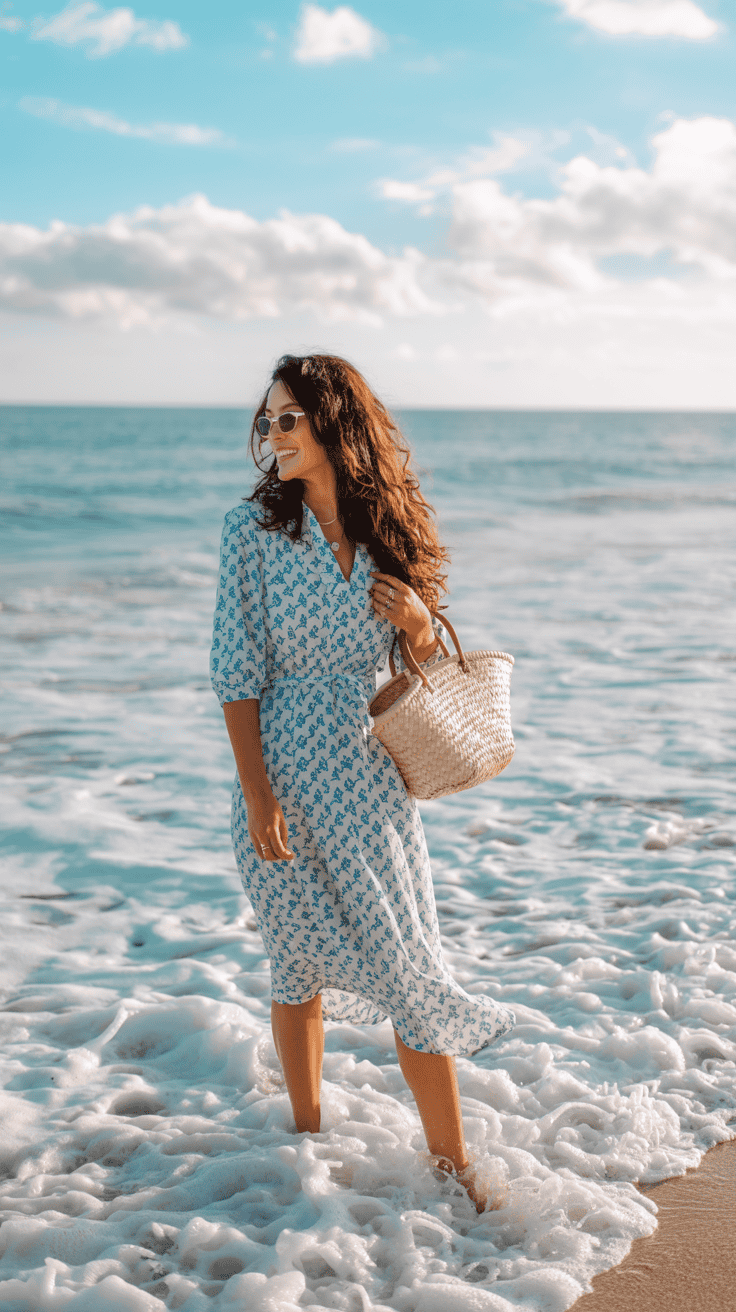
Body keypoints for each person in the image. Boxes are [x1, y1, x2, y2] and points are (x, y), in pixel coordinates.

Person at [210, 353, 514, 1211]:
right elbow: (235, 670)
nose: (273, 434)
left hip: (370, 784)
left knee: (411, 966)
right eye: (267, 420)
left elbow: (421, 667)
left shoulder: (387, 532)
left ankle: (454, 1167)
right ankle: (306, 1144)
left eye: (289, 418)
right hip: (280, 776)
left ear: (332, 422)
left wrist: (416, 622)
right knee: (296, 965)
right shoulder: (251, 531)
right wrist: (258, 794)